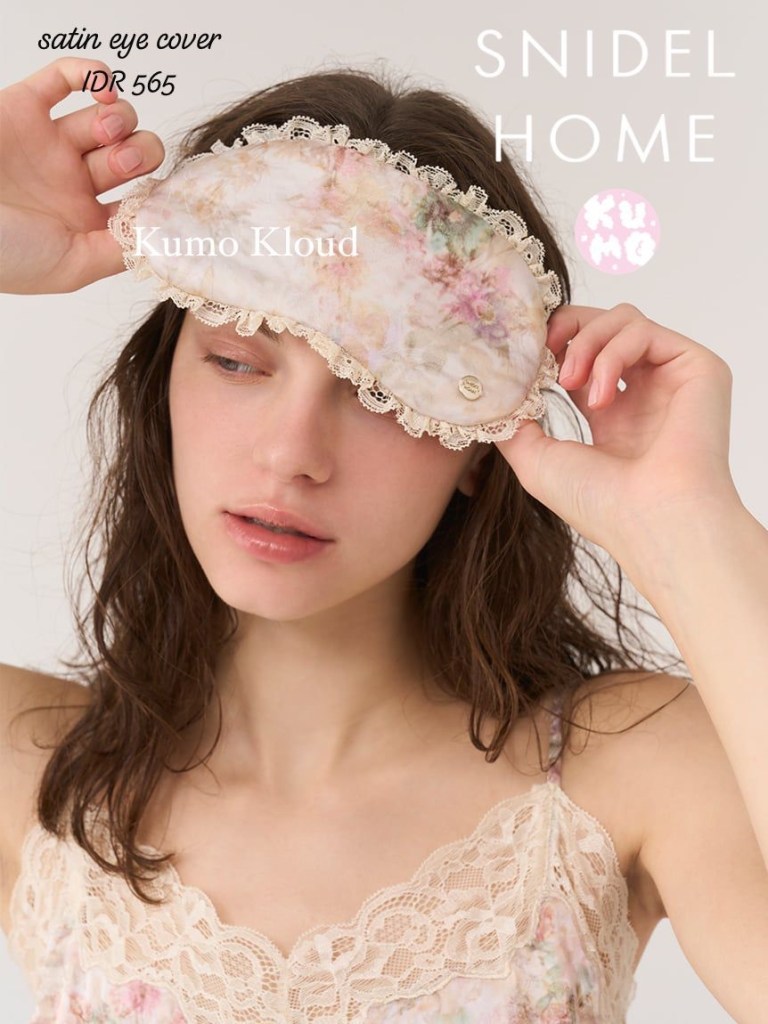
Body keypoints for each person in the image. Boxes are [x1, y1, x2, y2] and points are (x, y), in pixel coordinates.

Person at [1, 56, 766, 1024]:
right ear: (166, 380)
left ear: (479, 444)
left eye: (378, 392)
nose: (291, 454)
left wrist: (691, 524)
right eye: (237, 360)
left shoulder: (632, 766)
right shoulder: (29, 766)